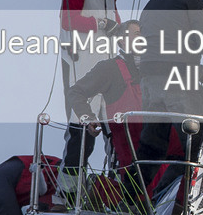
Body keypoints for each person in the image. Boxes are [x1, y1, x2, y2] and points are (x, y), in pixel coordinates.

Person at [63, 21, 181, 205]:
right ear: (122, 43)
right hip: (126, 159)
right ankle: (97, 190)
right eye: (136, 34)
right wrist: (87, 118)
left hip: (160, 158)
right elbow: (75, 92)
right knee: (131, 201)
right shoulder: (109, 69)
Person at [60, 0, 129, 177]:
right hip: (82, 69)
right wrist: (100, 23)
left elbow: (118, 28)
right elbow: (67, 20)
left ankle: (116, 190)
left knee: (116, 134)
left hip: (108, 71)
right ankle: (66, 193)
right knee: (82, 135)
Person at [137, 0, 203, 168]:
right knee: (197, 143)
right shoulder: (193, 2)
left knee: (152, 144)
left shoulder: (151, 3)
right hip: (178, 79)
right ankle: (194, 195)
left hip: (149, 80)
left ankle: (131, 196)